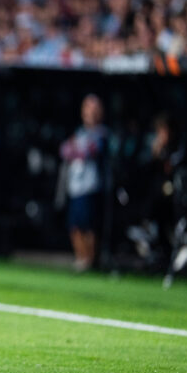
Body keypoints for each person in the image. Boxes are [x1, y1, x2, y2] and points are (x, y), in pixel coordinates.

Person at [59, 94, 108, 271]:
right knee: (74, 224)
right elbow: (64, 150)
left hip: (90, 186)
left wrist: (76, 149)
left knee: (89, 225)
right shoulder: (80, 132)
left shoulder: (101, 133)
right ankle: (80, 258)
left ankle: (90, 259)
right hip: (75, 187)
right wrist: (75, 149)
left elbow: (88, 151)